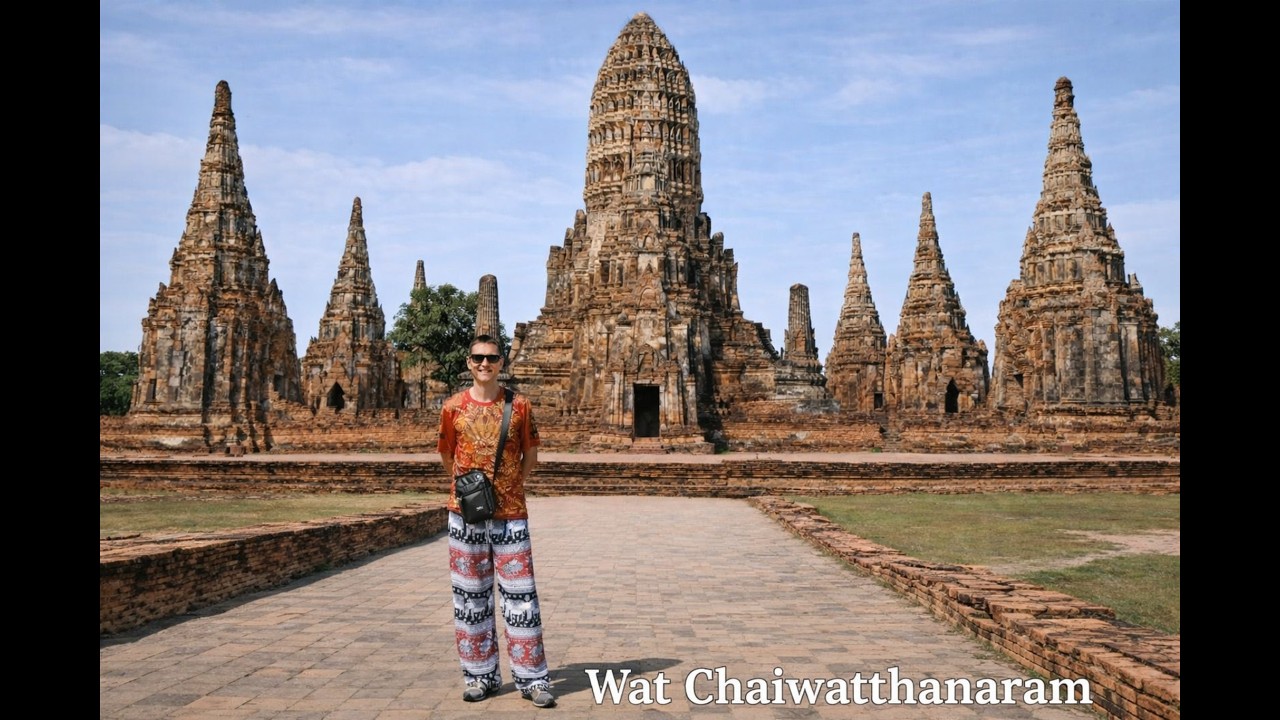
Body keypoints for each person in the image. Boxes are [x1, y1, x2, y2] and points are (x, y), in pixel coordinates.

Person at [438, 334, 555, 708]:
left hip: (511, 515)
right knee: (470, 598)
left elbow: (531, 455)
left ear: (501, 363)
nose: (484, 364)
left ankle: (532, 679)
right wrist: (468, 491)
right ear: (469, 363)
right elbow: (447, 456)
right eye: (478, 358)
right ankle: (479, 676)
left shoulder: (519, 406)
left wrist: (508, 486)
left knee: (521, 599)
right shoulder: (452, 407)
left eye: (491, 358)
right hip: (465, 515)